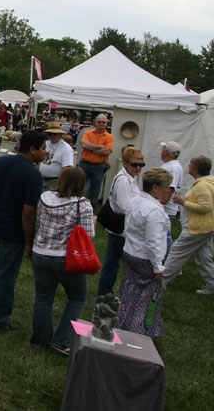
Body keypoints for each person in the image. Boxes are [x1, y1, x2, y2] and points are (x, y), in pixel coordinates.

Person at [0, 130, 47, 330]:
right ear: (32, 150)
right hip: (13, 230)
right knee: (6, 274)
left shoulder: (0, 162)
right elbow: (28, 212)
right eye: (43, 149)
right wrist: (28, 241)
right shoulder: (33, 174)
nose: (45, 153)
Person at [30, 167, 95, 355]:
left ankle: (39, 340)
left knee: (43, 297)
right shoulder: (82, 205)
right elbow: (88, 235)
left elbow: (38, 222)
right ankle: (62, 339)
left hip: (41, 252)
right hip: (66, 257)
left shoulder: (44, 198)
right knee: (78, 297)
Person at [118, 167, 173, 338]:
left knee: (129, 292)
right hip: (144, 257)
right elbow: (153, 242)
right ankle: (138, 334)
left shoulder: (135, 201)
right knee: (145, 299)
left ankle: (122, 324)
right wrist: (158, 266)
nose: (168, 191)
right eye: (166, 187)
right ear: (155, 188)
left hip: (130, 252)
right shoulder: (154, 211)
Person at [97, 146, 144, 296]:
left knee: (113, 262)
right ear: (125, 163)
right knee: (117, 263)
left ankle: (106, 292)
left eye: (141, 164)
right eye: (134, 164)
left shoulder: (131, 177)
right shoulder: (123, 180)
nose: (138, 168)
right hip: (120, 228)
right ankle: (107, 292)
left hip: (123, 228)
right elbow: (125, 206)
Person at [163, 156, 214, 294]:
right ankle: (212, 285)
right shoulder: (209, 181)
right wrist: (187, 216)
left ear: (196, 169)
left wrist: (183, 202)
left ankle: (161, 281)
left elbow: (205, 206)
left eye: (191, 164)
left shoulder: (202, 185)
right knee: (204, 257)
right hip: (206, 227)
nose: (188, 166)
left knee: (176, 253)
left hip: (197, 229)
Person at [79, 113, 113, 208]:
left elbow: (107, 151)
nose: (101, 124)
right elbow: (84, 145)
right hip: (84, 164)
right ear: (95, 123)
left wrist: (90, 148)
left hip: (99, 166)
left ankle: (91, 214)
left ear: (107, 124)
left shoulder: (109, 137)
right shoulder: (87, 133)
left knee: (95, 192)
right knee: (80, 189)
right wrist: (99, 147)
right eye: (99, 122)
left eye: (103, 122)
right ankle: (79, 210)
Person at [159, 141, 183, 258]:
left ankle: (171, 262)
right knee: (163, 235)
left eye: (163, 148)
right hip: (165, 207)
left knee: (165, 236)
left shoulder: (173, 167)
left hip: (166, 208)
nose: (161, 150)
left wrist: (161, 202)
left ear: (166, 151)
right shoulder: (171, 165)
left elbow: (171, 188)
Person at [39, 121, 75, 190]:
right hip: (41, 178)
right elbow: (46, 161)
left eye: (55, 134)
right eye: (50, 134)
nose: (52, 136)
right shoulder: (46, 143)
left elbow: (67, 168)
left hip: (55, 181)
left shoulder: (66, 148)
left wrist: (60, 183)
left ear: (60, 134)